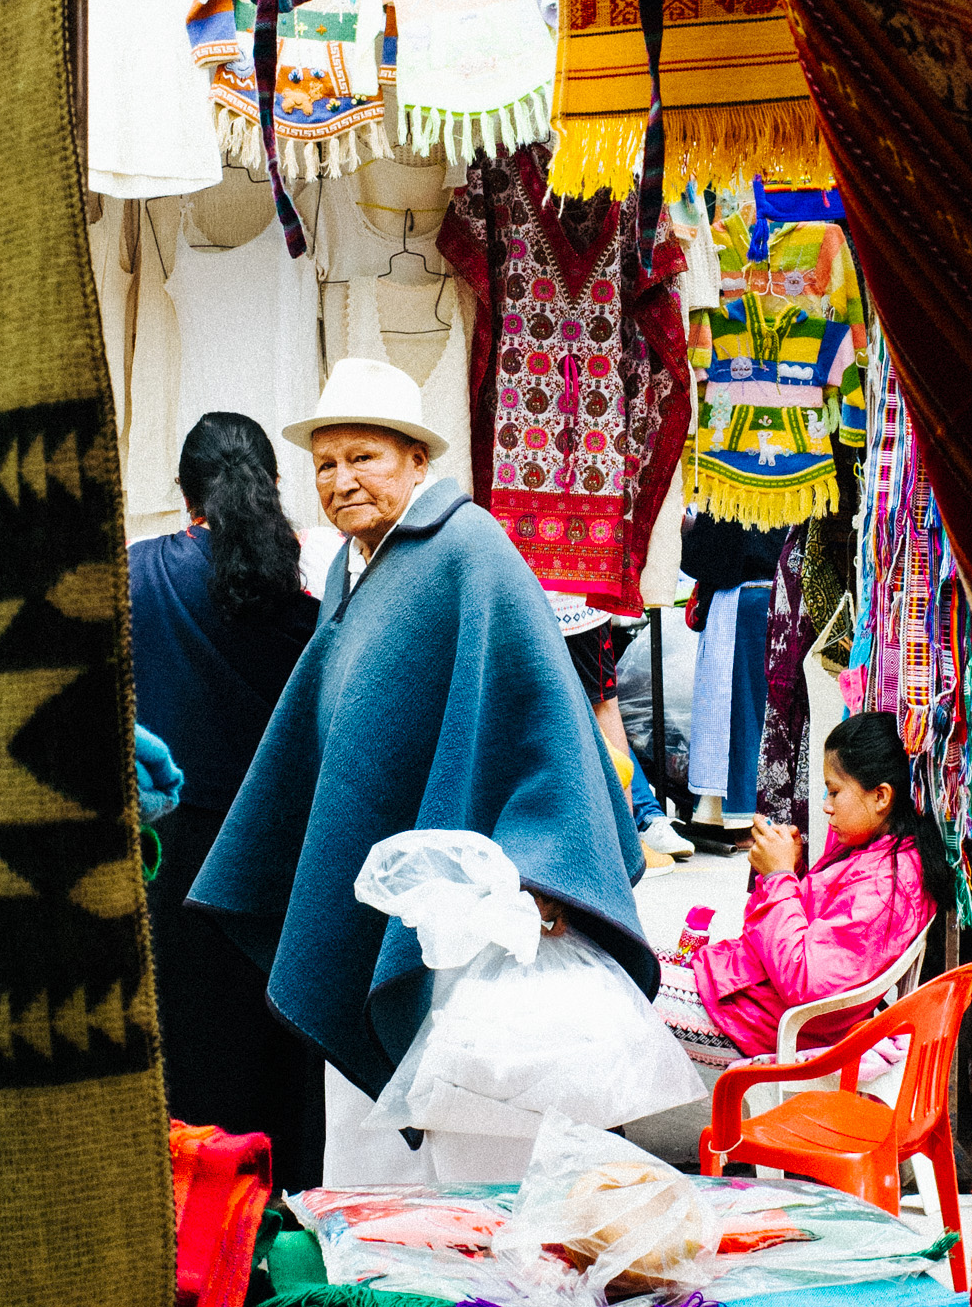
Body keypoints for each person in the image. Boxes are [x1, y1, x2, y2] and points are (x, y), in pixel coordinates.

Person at [188, 356, 656, 1148]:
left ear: (417, 461)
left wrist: (542, 868)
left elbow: (541, 715)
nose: (341, 481)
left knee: (464, 1135)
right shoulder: (350, 568)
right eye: (325, 464)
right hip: (398, 895)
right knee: (381, 1140)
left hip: (471, 915)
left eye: (363, 457)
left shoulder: (467, 550)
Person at [130, 413, 321, 1183]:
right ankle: (276, 1228)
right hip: (276, 856)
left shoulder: (134, 573)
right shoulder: (308, 594)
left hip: (165, 853)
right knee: (273, 1051)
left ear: (183, 493)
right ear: (276, 487)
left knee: (177, 1045)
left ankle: (184, 1222)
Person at [656, 710, 950, 1066]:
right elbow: (783, 939)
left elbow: (806, 984)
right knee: (625, 959)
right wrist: (787, 872)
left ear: (881, 796)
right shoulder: (879, 855)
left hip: (757, 1023)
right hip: (747, 999)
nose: (826, 806)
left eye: (835, 791)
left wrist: (780, 878)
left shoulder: (886, 883)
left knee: (624, 986)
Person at [547, 592, 695, 860]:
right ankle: (631, 834)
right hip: (579, 592)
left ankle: (635, 828)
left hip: (549, 591)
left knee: (597, 705)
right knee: (601, 705)